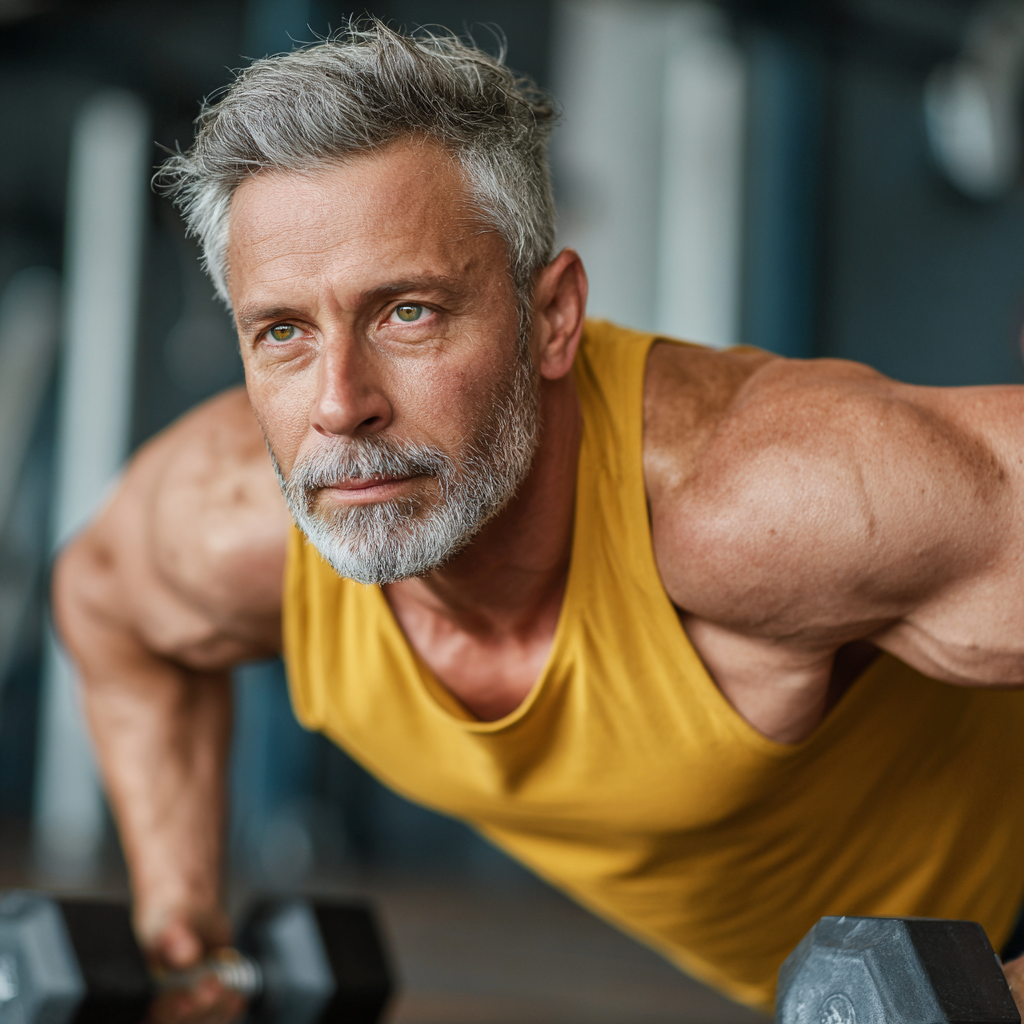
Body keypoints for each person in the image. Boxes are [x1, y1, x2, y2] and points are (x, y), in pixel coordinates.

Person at [53, 20, 1024, 1018]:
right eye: (284, 332)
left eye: (408, 312)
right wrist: (180, 925)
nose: (341, 404)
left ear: (552, 316)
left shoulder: (761, 502)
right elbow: (104, 606)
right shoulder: (228, 523)